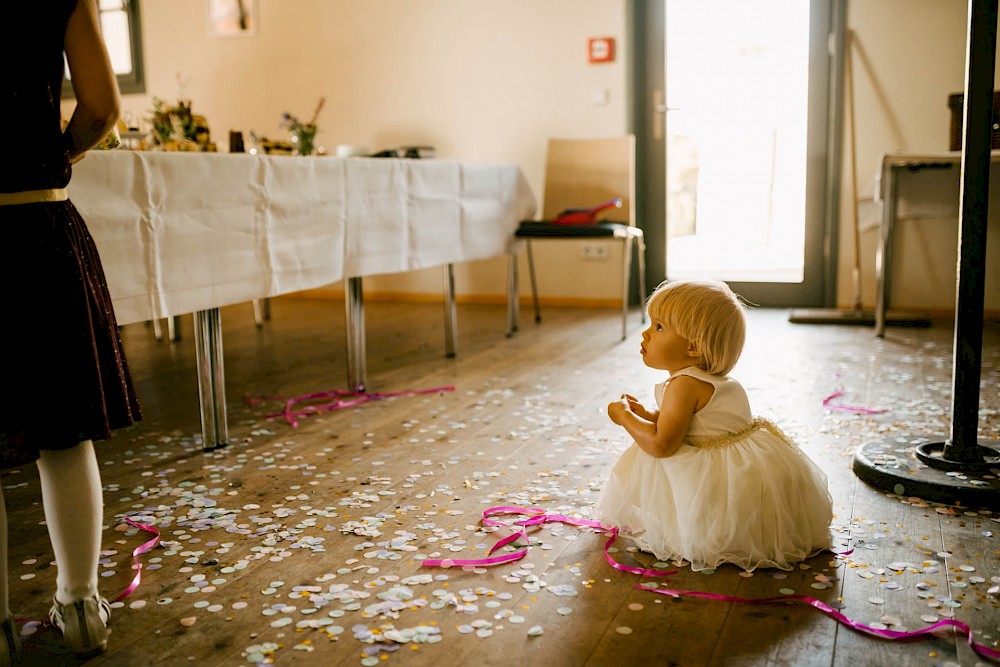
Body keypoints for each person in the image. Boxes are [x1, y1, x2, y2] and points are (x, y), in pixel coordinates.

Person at [0, 0, 142, 662]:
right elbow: (101, 104)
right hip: (41, 222)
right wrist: (59, 150)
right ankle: (82, 605)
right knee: (63, 430)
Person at [594, 279, 832, 572]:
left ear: (693, 347)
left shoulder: (683, 385)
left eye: (658, 327)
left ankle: (698, 532)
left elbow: (662, 445)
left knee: (654, 459)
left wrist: (624, 417)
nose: (645, 333)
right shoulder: (718, 381)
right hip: (747, 470)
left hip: (711, 480)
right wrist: (650, 413)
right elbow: (695, 423)